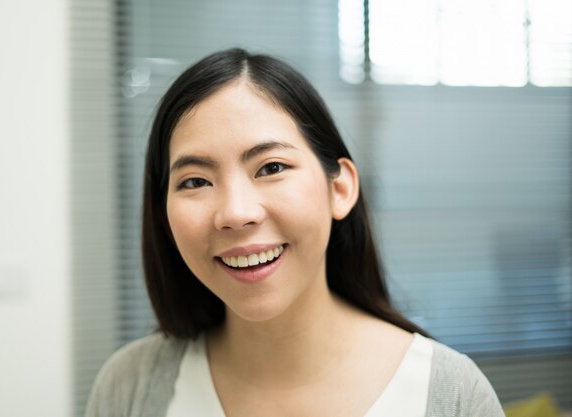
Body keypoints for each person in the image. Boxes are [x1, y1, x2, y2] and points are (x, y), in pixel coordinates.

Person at [85, 48, 505, 417]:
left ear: (339, 189)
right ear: (163, 214)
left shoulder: (452, 395)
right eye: (195, 181)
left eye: (271, 168)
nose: (235, 213)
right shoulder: (130, 386)